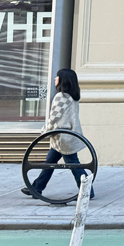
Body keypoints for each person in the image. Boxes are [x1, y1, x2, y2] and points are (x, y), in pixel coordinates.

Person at [22, 69, 94, 202]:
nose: (55, 79)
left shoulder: (61, 96)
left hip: (63, 138)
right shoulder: (73, 97)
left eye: (57, 77)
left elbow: (54, 117)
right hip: (65, 137)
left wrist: (45, 131)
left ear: (63, 80)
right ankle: (37, 187)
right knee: (49, 163)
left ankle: (87, 190)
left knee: (73, 164)